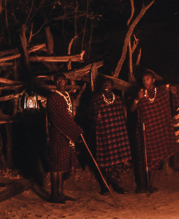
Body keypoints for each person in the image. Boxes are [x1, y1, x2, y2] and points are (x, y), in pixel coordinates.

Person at [130, 71, 175, 194]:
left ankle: (150, 185)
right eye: (144, 79)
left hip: (158, 130)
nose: (145, 81)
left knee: (154, 159)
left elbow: (170, 89)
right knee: (142, 158)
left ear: (153, 80)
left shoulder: (160, 92)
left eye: (148, 79)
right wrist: (136, 99)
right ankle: (142, 186)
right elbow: (132, 109)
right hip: (144, 131)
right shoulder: (140, 93)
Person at [46, 73, 83, 203]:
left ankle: (60, 193)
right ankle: (54, 194)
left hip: (67, 134)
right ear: (55, 83)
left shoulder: (67, 95)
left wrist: (73, 127)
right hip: (57, 133)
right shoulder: (53, 98)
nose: (60, 83)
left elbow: (69, 115)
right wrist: (75, 130)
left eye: (63, 81)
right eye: (58, 81)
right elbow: (59, 117)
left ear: (66, 82)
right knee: (56, 166)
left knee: (62, 165)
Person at [91, 78, 131, 195]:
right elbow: (90, 114)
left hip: (118, 134)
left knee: (118, 162)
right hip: (104, 134)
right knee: (105, 161)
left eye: (109, 84)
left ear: (113, 87)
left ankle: (116, 184)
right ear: (101, 86)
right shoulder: (96, 99)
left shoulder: (118, 99)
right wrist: (95, 117)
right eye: (104, 84)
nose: (106, 85)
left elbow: (123, 115)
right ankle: (104, 185)